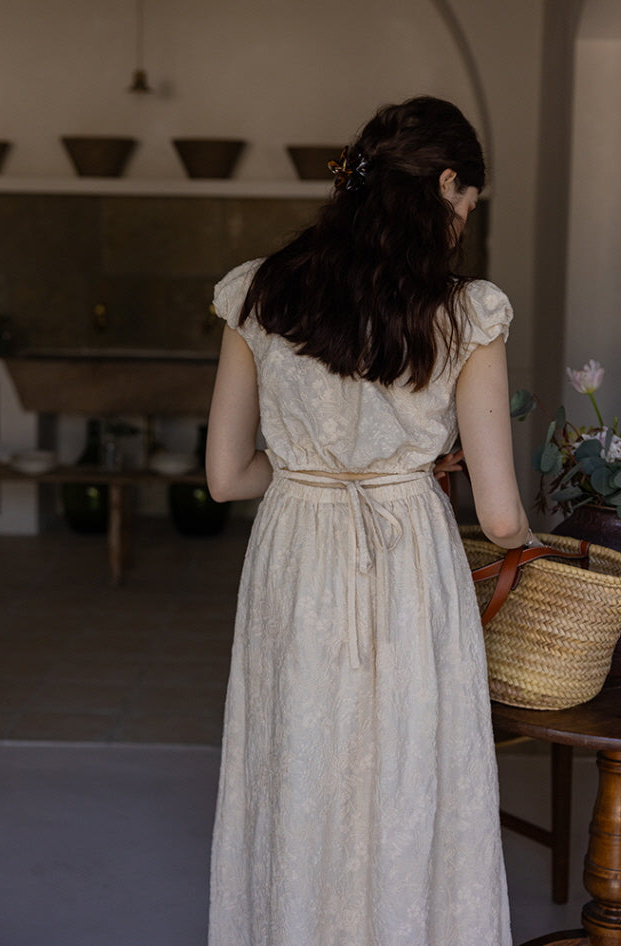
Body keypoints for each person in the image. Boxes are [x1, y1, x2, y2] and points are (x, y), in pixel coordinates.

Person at [205, 95, 530, 946]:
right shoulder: (467, 314)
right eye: (466, 203)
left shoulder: (257, 293)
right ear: (447, 184)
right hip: (404, 557)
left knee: (296, 769)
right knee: (407, 774)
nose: (462, 222)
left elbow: (223, 476)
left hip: (295, 551)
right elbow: (498, 517)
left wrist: (311, 464)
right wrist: (527, 546)